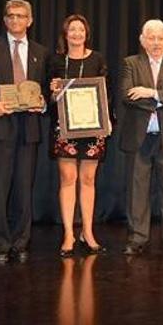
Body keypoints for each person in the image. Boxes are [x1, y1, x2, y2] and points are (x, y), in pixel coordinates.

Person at [0, 0, 49, 264]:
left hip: (29, 128)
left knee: (24, 189)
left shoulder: (40, 51)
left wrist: (43, 103)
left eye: (21, 16)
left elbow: (46, 88)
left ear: (30, 20)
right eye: (11, 16)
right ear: (4, 20)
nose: (16, 20)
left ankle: (20, 242)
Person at [119, 19, 163, 256]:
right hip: (139, 137)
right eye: (152, 37)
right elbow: (128, 95)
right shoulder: (130, 64)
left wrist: (151, 93)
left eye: (161, 38)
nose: (156, 42)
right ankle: (138, 236)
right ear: (142, 40)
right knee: (138, 189)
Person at [48, 15, 109, 258]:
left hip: (93, 128)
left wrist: (107, 122)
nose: (76, 34)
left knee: (88, 180)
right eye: (71, 30)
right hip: (65, 129)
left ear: (86, 33)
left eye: (80, 29)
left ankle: (88, 232)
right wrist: (52, 93)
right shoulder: (55, 61)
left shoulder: (98, 59)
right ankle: (68, 234)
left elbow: (107, 92)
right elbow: (48, 97)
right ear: (65, 34)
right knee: (67, 178)